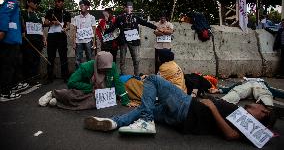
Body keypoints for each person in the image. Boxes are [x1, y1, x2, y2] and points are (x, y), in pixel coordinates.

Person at [84, 75, 276, 140]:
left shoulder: (249, 123)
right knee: (147, 108)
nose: (255, 104)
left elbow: (231, 135)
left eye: (259, 107)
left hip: (187, 109)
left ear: (264, 113)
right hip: (183, 117)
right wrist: (207, 99)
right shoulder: (240, 112)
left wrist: (212, 107)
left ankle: (145, 121)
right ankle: (114, 122)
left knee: (152, 79)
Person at [38, 51, 135, 110]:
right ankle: (54, 94)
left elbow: (118, 82)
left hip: (97, 93)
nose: (106, 70)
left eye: (108, 69)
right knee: (76, 95)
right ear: (98, 64)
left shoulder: (112, 66)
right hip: (86, 89)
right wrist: (90, 87)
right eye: (104, 69)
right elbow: (71, 82)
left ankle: (60, 101)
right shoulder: (86, 68)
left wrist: (125, 100)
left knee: (93, 103)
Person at [106, 2, 158, 76]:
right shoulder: (119, 18)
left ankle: (136, 75)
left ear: (132, 9)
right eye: (127, 7)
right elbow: (113, 27)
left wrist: (156, 27)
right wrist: (105, 35)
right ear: (124, 8)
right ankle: (122, 75)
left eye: (130, 7)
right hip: (123, 41)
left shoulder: (135, 18)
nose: (129, 9)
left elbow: (145, 23)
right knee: (122, 60)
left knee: (136, 59)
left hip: (134, 41)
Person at [0, 0, 25, 101]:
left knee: (12, 64)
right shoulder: (11, 1)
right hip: (9, 39)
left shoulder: (15, 3)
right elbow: (4, 15)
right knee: (8, 66)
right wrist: (3, 31)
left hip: (13, 39)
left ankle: (10, 87)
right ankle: (5, 93)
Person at [44, 0, 71, 84]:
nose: (57, 3)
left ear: (62, 2)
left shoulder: (66, 13)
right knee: (51, 56)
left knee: (63, 57)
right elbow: (45, 22)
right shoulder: (50, 11)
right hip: (51, 36)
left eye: (59, 2)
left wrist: (65, 28)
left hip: (61, 36)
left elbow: (68, 26)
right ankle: (50, 76)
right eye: (55, 2)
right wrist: (52, 22)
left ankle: (65, 76)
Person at [21, 0, 46, 86]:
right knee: (28, 60)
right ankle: (27, 79)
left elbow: (40, 28)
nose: (36, 4)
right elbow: (22, 26)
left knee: (36, 60)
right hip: (28, 41)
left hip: (38, 41)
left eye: (37, 2)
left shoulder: (38, 15)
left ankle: (34, 78)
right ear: (28, 2)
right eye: (34, 2)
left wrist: (44, 38)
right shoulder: (23, 13)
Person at [209, 78, 284, 107]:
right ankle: (268, 107)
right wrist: (219, 90)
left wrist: (220, 90)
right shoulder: (244, 81)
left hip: (257, 85)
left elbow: (273, 91)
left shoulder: (262, 83)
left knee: (264, 94)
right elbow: (231, 88)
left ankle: (268, 108)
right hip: (254, 85)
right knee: (236, 91)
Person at [72, 0, 96, 69]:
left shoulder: (92, 17)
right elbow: (74, 30)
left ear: (87, 7)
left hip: (88, 41)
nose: (81, 7)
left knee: (90, 58)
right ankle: (78, 75)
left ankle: (90, 75)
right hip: (78, 41)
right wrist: (74, 42)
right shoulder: (76, 18)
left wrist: (94, 42)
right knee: (78, 59)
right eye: (80, 5)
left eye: (83, 5)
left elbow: (94, 30)